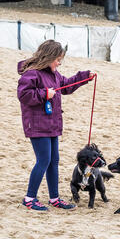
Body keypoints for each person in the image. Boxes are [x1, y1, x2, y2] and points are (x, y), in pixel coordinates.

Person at [17, 39, 93, 211]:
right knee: (43, 160)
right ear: (48, 57)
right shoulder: (32, 73)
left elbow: (66, 86)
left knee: (54, 161)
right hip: (37, 125)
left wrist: (83, 77)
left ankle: (54, 198)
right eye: (58, 59)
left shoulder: (54, 74)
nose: (59, 63)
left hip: (52, 124)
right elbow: (24, 94)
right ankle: (29, 198)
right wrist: (44, 94)